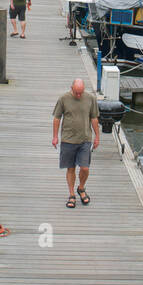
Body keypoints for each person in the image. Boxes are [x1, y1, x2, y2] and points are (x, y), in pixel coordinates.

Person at [52, 77, 100, 208]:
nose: (79, 95)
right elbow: (57, 118)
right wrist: (55, 136)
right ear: (71, 88)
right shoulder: (63, 99)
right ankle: (72, 194)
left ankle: (81, 187)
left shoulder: (90, 99)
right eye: (76, 92)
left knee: (85, 167)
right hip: (68, 139)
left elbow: (94, 118)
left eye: (81, 92)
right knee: (71, 168)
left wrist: (97, 137)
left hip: (85, 138)